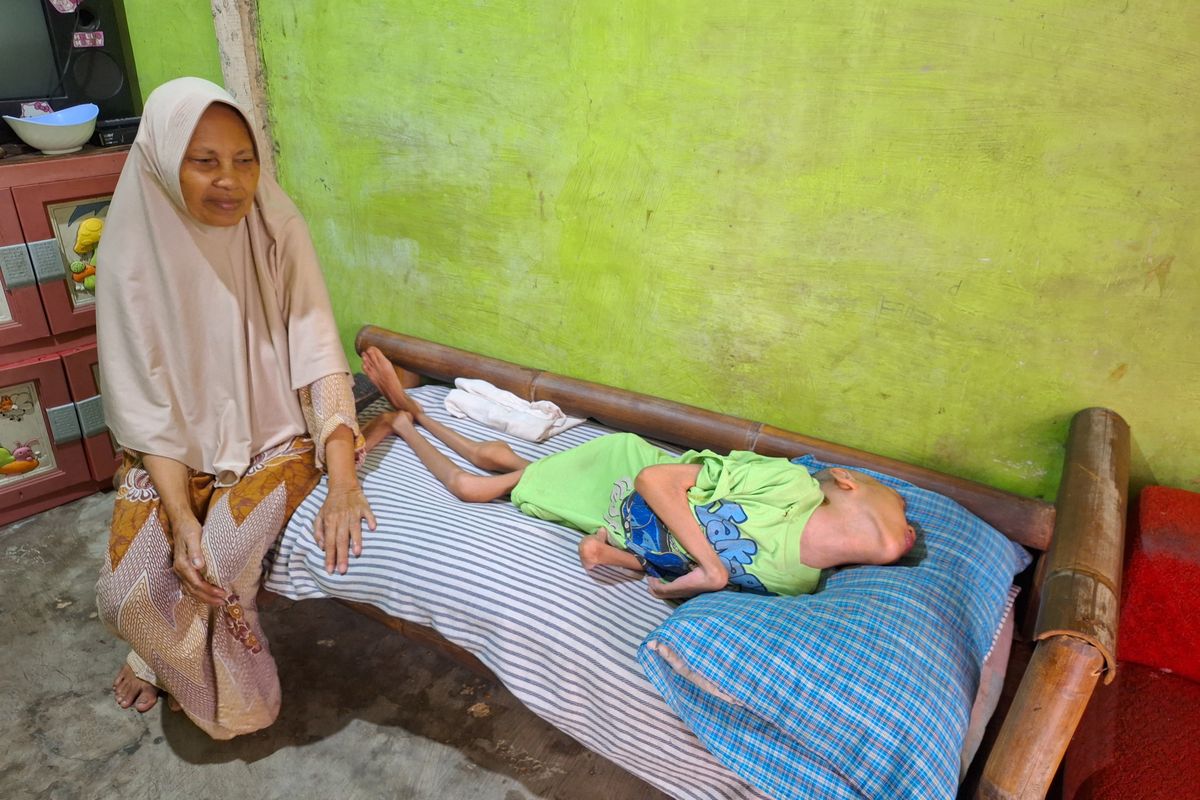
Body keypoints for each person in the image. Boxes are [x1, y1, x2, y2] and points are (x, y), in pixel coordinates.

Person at [94, 78, 375, 739]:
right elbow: (144, 405)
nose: (231, 181)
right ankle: (157, 653)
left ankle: (236, 704)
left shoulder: (278, 227)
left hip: (274, 444)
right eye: (205, 161)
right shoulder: (128, 254)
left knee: (214, 574)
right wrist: (180, 517)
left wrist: (343, 477)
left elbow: (318, 357)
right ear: (163, 162)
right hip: (169, 452)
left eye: (244, 159)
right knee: (124, 596)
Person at [360, 347, 915, 600]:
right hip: (625, 470)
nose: (912, 521)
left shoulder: (800, 580)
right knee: (473, 486)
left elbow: (670, 563)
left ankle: (412, 417)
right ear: (846, 482)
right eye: (903, 504)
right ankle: (410, 420)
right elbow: (658, 483)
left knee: (506, 469)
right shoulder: (792, 484)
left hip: (613, 516)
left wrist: (611, 559)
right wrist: (714, 570)